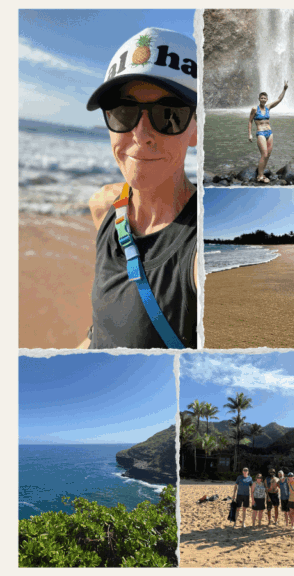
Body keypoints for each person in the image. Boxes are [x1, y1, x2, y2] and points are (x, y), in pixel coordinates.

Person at [78, 28, 199, 349]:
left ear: (197, 130)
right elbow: (101, 331)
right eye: (123, 111)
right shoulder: (105, 209)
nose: (140, 133)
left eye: (169, 115)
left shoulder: (204, 245)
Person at [248, 82, 288, 183]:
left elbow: (278, 100)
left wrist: (284, 89)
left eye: (265, 98)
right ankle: (259, 176)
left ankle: (261, 173)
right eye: (261, 98)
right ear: (259, 99)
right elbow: (250, 121)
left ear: (267, 99)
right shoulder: (254, 109)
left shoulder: (268, 107)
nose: (263, 99)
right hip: (260, 133)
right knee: (264, 154)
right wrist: (250, 134)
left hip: (269, 133)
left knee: (268, 155)